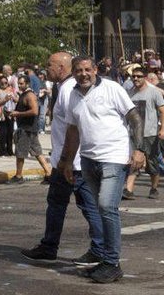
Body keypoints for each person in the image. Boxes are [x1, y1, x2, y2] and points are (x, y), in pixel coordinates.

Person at [54, 56, 144, 284]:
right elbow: (73, 131)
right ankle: (103, 258)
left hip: (113, 158)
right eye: (78, 70)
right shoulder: (73, 94)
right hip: (87, 160)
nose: (83, 74)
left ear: (95, 70)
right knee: (98, 208)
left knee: (106, 206)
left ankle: (112, 263)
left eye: (87, 69)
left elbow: (134, 118)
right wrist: (66, 162)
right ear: (72, 72)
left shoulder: (112, 89)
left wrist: (140, 149)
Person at [22, 51, 106, 267]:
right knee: (58, 204)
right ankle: (49, 246)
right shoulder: (65, 88)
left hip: (73, 162)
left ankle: (99, 249)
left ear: (61, 67)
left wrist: (67, 161)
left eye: (50, 65)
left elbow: (76, 126)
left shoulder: (70, 90)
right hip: (67, 160)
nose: (46, 68)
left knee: (87, 206)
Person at [122, 66, 164, 200]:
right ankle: (129, 190)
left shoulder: (153, 92)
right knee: (133, 162)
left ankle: (154, 188)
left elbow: (163, 111)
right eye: (134, 76)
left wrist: (163, 129)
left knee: (152, 164)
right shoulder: (129, 93)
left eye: (139, 76)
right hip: (133, 134)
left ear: (145, 78)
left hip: (150, 134)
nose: (135, 78)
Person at [8, 74, 49, 182]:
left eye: (21, 84)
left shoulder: (30, 95)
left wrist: (18, 113)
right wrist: (16, 101)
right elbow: (24, 104)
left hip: (27, 129)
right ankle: (49, 173)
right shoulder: (24, 94)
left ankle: (18, 176)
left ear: (27, 84)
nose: (19, 86)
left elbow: (34, 111)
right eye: (19, 84)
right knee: (37, 152)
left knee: (20, 153)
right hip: (27, 128)